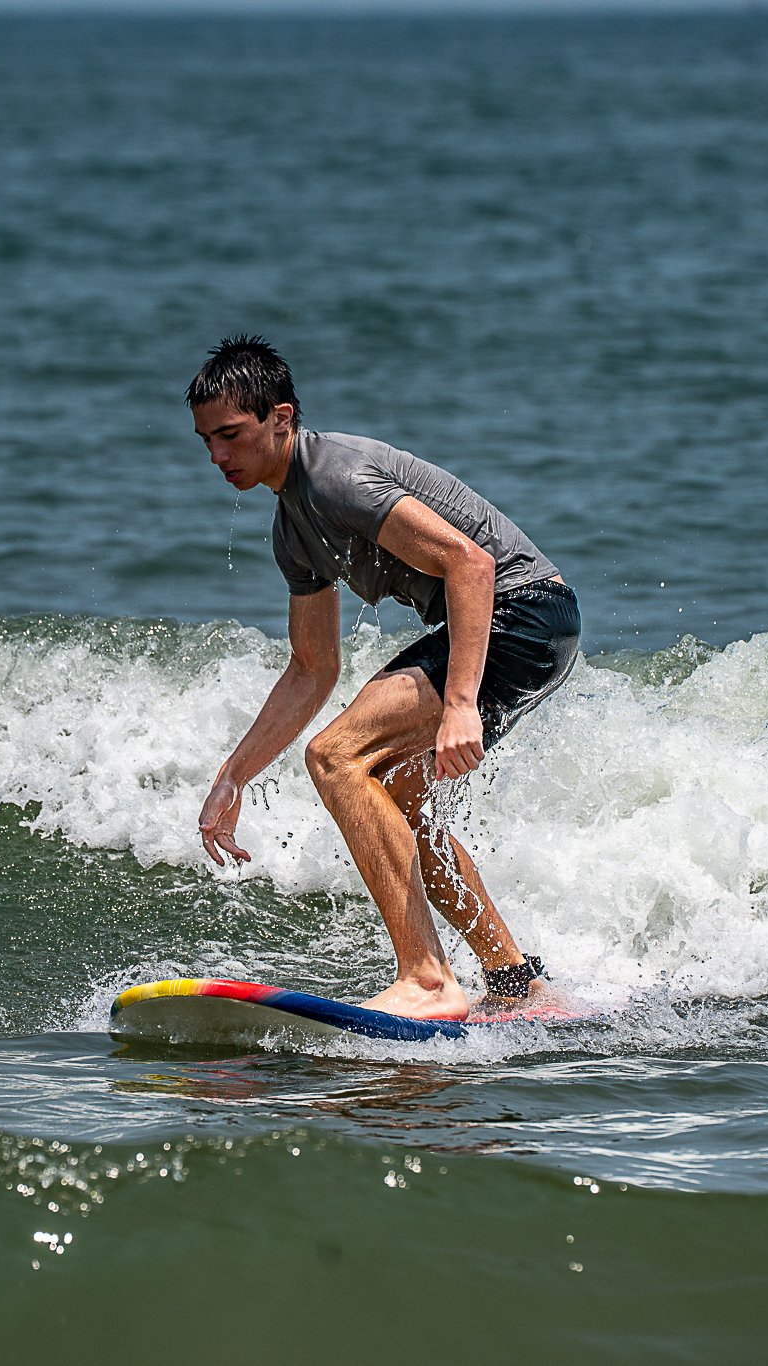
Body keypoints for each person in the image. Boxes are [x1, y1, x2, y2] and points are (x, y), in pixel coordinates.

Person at [188, 335, 579, 1020]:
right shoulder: (292, 530)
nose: (218, 457)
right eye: (206, 442)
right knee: (399, 796)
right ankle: (519, 986)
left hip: (523, 612)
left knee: (335, 756)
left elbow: (471, 566)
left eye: (230, 435)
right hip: (516, 624)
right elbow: (313, 668)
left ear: (281, 418)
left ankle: (427, 980)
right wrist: (235, 772)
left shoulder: (337, 476)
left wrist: (459, 704)